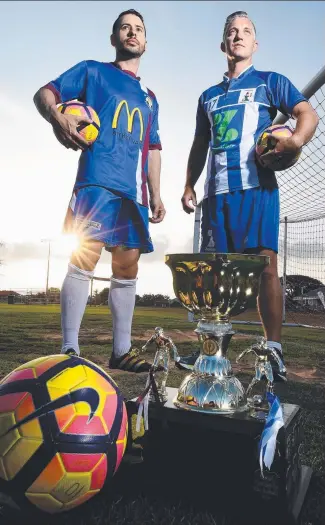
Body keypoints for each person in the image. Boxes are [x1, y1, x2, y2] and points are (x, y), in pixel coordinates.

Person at [178, 11, 319, 378]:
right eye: (232, 32)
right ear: (223, 44)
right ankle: (212, 349)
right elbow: (199, 143)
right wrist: (188, 184)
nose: (238, 36)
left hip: (257, 188)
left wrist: (295, 141)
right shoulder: (207, 96)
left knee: (265, 268)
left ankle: (273, 350)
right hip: (217, 195)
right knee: (213, 277)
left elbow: (306, 113)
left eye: (246, 32)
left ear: (255, 44)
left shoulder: (270, 82)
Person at [33, 9, 166, 373]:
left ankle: (121, 351)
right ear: (114, 38)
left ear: (145, 42)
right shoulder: (92, 70)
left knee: (127, 265)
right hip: (96, 179)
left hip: (134, 192)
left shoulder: (150, 97)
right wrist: (57, 117)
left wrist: (156, 194)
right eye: (125, 27)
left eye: (139, 28)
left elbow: (153, 148)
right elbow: (44, 93)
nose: (132, 32)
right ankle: (69, 349)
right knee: (85, 254)